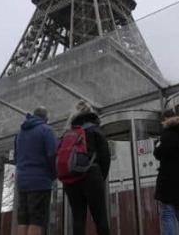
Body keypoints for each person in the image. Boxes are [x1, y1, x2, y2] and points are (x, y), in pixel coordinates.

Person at [63, 101, 111, 235]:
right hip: (92, 175)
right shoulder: (95, 130)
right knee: (100, 218)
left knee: (78, 218)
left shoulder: (69, 132)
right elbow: (105, 156)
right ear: (91, 113)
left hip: (71, 179)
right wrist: (101, 177)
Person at [15, 106, 57, 235]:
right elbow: (52, 154)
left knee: (23, 219)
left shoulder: (20, 133)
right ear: (46, 118)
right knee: (36, 220)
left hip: (22, 182)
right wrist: (53, 174)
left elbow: (16, 157)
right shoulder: (46, 130)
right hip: (40, 182)